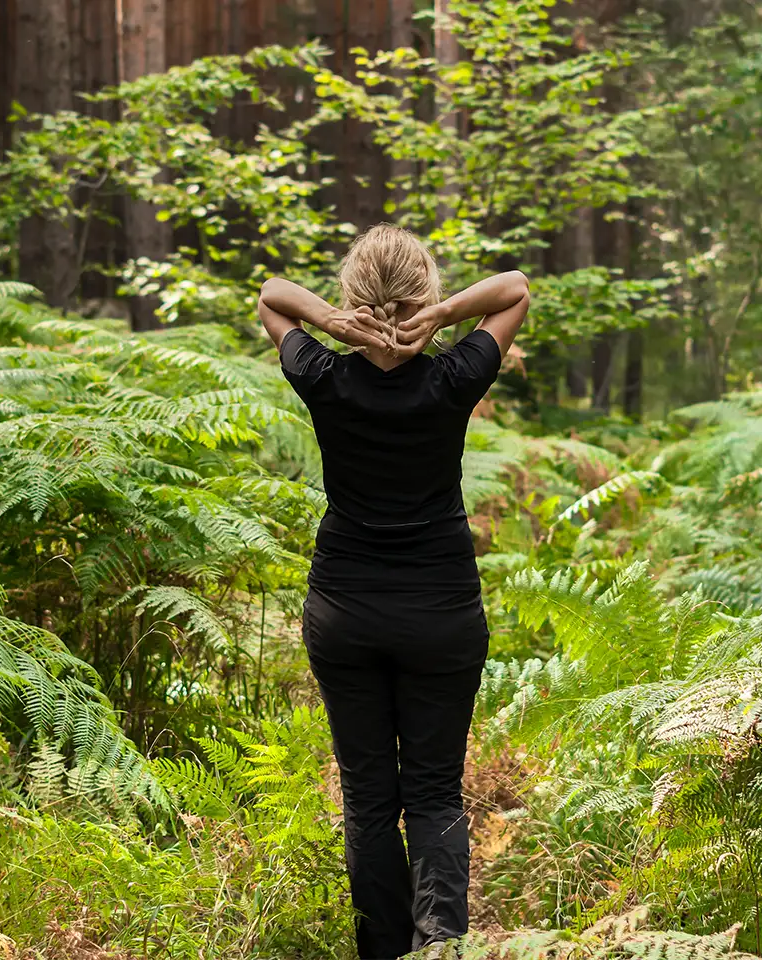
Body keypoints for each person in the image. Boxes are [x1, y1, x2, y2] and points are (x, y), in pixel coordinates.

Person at [257, 224, 530, 958]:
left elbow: (272, 297)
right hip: (441, 611)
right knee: (435, 794)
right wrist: (441, 320)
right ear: (425, 295)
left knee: (370, 800)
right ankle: (440, 948)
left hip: (345, 610)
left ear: (352, 299)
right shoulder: (453, 378)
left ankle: (384, 952)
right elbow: (514, 290)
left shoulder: (324, 376)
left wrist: (330, 323)